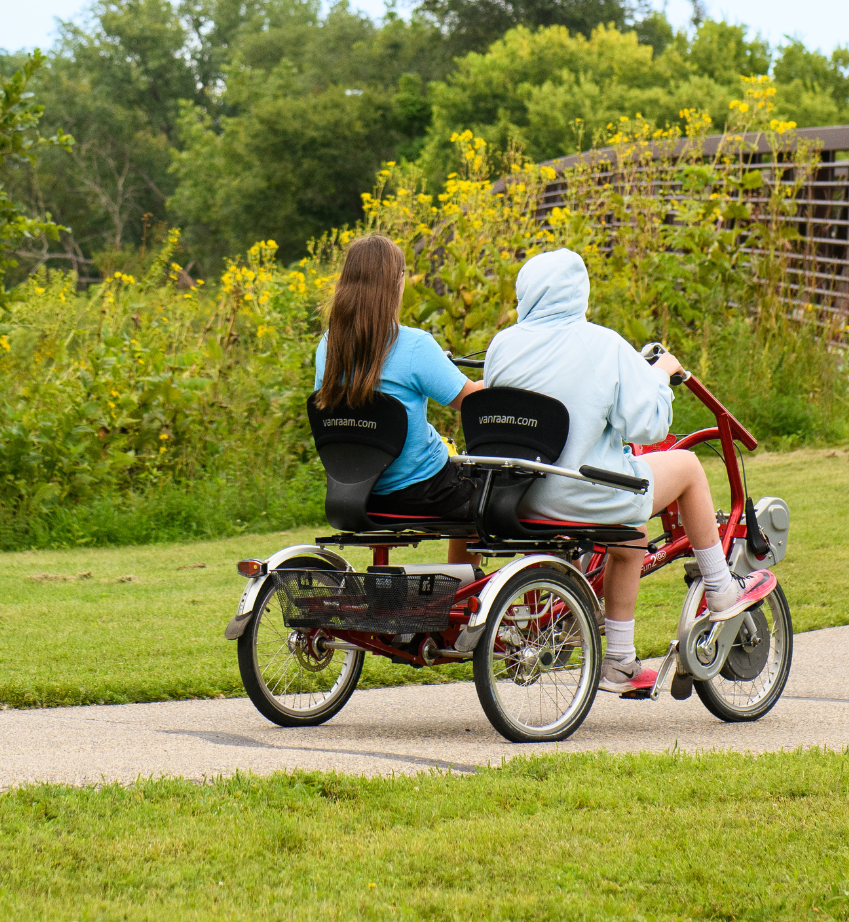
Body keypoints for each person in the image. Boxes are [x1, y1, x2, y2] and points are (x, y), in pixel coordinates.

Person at [482, 247, 775, 693]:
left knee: (630, 536)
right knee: (689, 466)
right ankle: (721, 586)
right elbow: (648, 424)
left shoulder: (503, 344)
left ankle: (620, 660)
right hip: (579, 491)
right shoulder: (601, 344)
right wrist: (659, 376)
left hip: (518, 492)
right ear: (579, 293)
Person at [314, 233, 481, 563]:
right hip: (421, 491)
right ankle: (463, 590)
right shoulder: (414, 345)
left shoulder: (328, 344)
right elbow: (472, 401)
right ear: (397, 282)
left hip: (355, 490)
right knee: (488, 491)